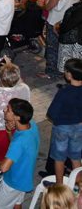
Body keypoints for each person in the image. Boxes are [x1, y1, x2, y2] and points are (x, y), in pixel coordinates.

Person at [0, 98, 40, 209]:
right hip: (24, 178)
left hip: (12, 182)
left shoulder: (19, 142)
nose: (4, 110)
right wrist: (9, 132)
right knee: (17, 204)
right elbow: (18, 147)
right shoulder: (31, 125)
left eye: (8, 109)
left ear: (17, 117)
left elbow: (4, 168)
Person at [38, 0, 82, 78]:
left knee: (52, 47)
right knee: (62, 48)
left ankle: (51, 72)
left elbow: (49, 7)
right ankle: (62, 70)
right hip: (67, 23)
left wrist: (42, 4)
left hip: (54, 22)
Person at [46, 58, 82, 186]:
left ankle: (59, 185)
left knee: (59, 158)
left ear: (69, 75)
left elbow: (51, 113)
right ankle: (79, 185)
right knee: (76, 157)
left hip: (62, 128)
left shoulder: (64, 92)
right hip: (79, 128)